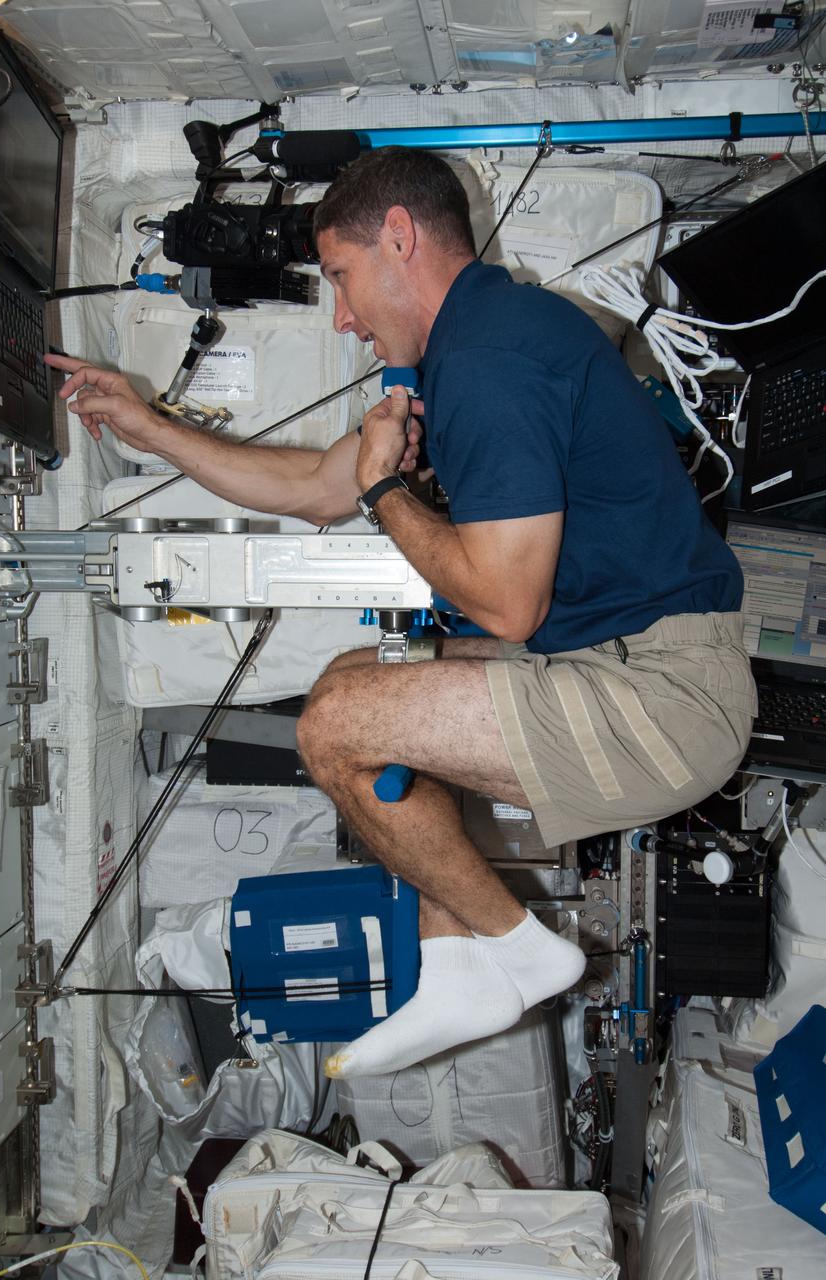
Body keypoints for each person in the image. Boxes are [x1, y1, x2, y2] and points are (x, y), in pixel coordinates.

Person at [45, 147, 757, 1080]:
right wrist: (148, 426)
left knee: (337, 728)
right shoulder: (466, 353)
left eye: (341, 277)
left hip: (668, 697)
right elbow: (310, 488)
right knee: (356, 679)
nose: (342, 314)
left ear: (399, 236)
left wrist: (387, 489)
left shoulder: (493, 360)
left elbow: (504, 602)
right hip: (618, 662)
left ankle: (516, 949)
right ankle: (460, 952)